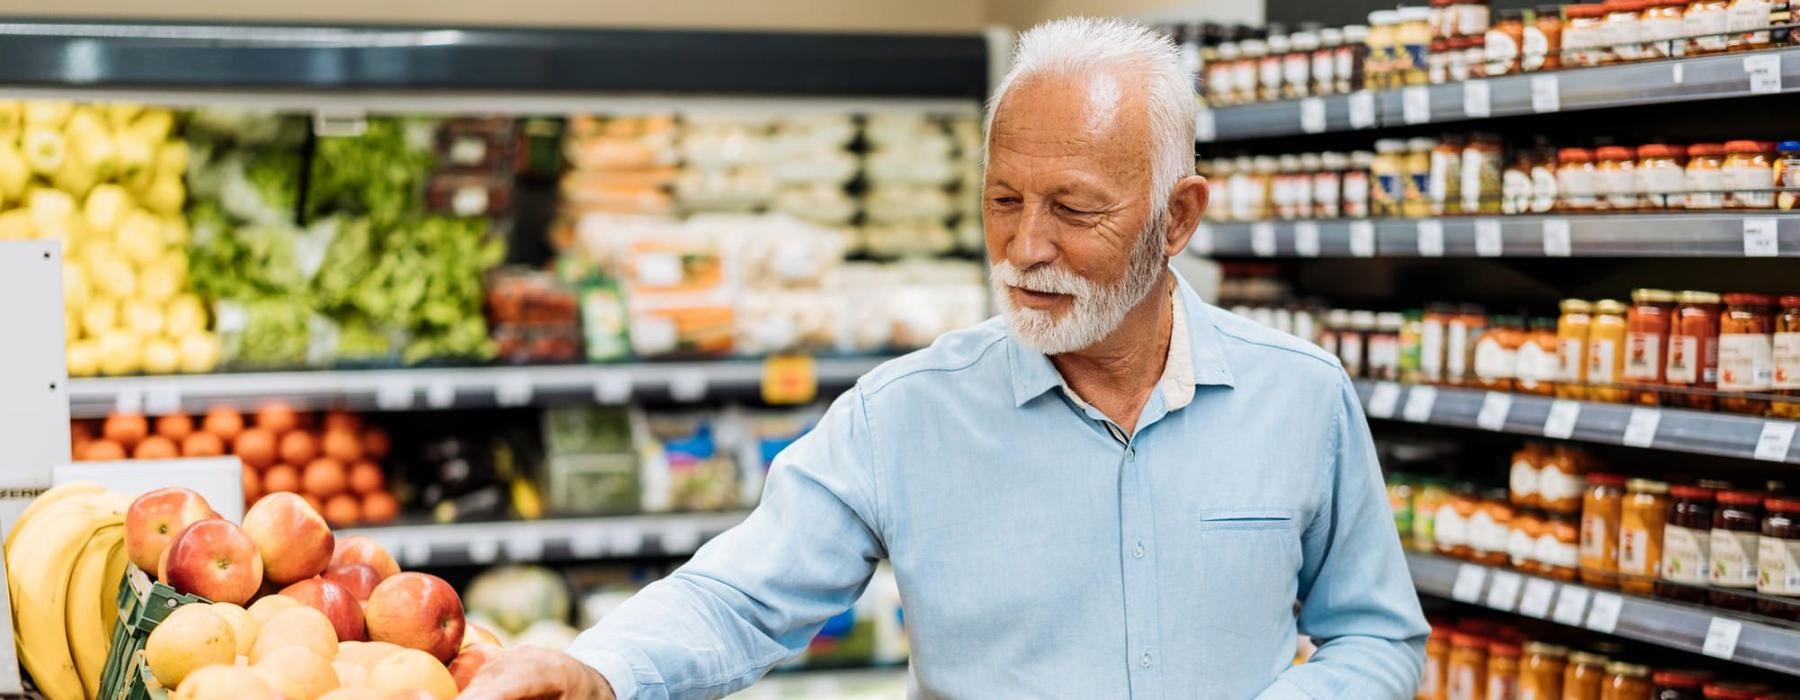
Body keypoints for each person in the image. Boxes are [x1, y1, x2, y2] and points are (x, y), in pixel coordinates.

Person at [461, 16, 1427, 700]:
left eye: (1075, 208)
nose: (1025, 247)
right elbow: (740, 595)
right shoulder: (905, 414)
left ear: (1177, 219)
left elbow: (1376, 633)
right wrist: (603, 669)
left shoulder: (1299, 396)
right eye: (1003, 200)